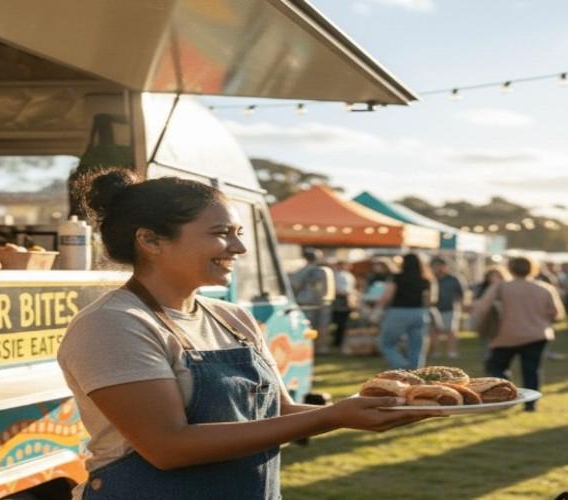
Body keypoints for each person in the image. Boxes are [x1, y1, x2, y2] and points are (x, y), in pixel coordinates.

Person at [57, 169, 438, 500]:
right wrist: (334, 418)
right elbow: (167, 446)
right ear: (151, 240)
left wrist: (374, 408)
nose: (238, 248)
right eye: (222, 234)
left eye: (239, 233)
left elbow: (281, 413)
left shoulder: (232, 317)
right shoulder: (114, 323)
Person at [472, 256, 564, 411]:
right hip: (537, 335)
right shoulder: (545, 288)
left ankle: (505, 396)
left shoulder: (501, 287)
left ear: (510, 268)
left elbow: (481, 308)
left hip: (505, 336)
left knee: (497, 367)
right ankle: (530, 405)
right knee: (532, 370)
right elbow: (557, 314)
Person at [373, 253, 434, 369]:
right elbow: (430, 300)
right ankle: (416, 371)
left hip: (398, 312)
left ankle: (401, 365)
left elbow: (387, 297)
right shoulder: (425, 279)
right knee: (416, 346)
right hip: (419, 313)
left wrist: (377, 310)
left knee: (386, 344)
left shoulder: (397, 277)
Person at [291, 249, 335, 351]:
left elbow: (294, 284)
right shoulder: (323, 270)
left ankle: (309, 347)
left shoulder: (304, 270)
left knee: (309, 326)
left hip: (307, 301)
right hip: (318, 302)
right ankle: (316, 347)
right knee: (317, 326)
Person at [430, 257, 468, 359]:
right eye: (435, 266)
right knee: (434, 331)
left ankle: (452, 352)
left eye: (440, 266)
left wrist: (462, 305)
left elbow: (461, 294)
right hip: (433, 309)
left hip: (449, 308)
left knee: (450, 331)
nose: (438, 268)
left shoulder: (454, 279)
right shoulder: (430, 278)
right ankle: (436, 352)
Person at [329, 258, 358, 353]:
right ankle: (337, 341)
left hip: (346, 300)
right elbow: (336, 289)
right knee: (339, 322)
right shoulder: (336, 275)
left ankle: (339, 341)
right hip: (339, 300)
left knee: (343, 322)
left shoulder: (349, 275)